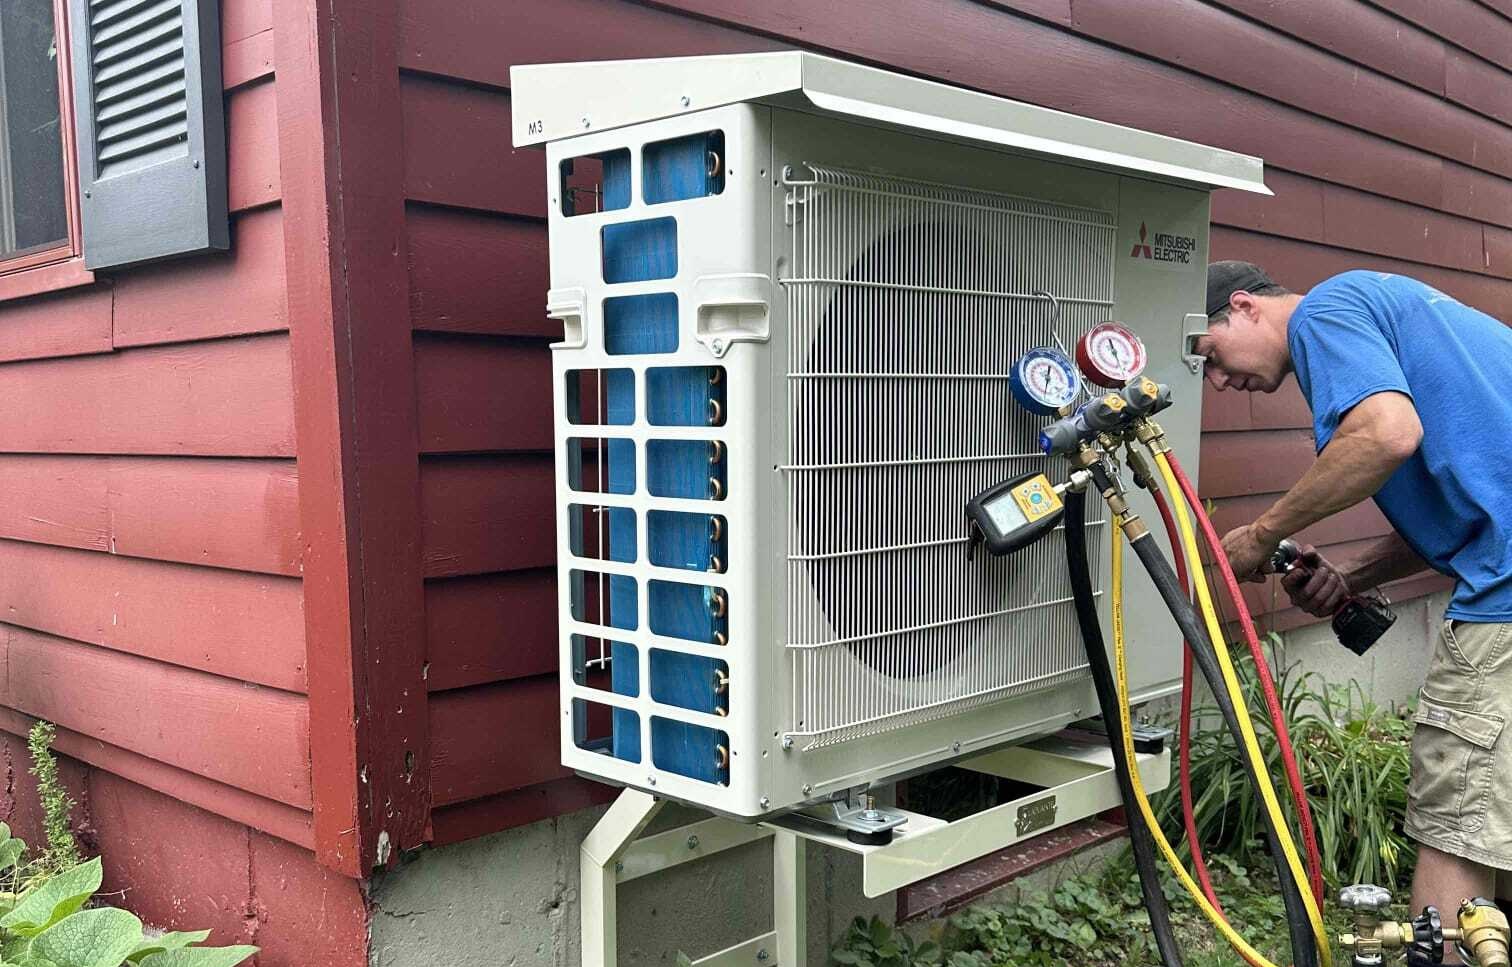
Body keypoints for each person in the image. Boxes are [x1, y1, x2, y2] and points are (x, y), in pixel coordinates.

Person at [1196, 261, 1512, 956]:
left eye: (1210, 356)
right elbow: (1472, 508)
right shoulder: (1395, 307)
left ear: (1244, 306)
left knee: (1457, 824)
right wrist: (1352, 576)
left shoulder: (1326, 311)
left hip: (1506, 598)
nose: (1216, 381)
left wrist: (1262, 533)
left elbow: (1384, 435)